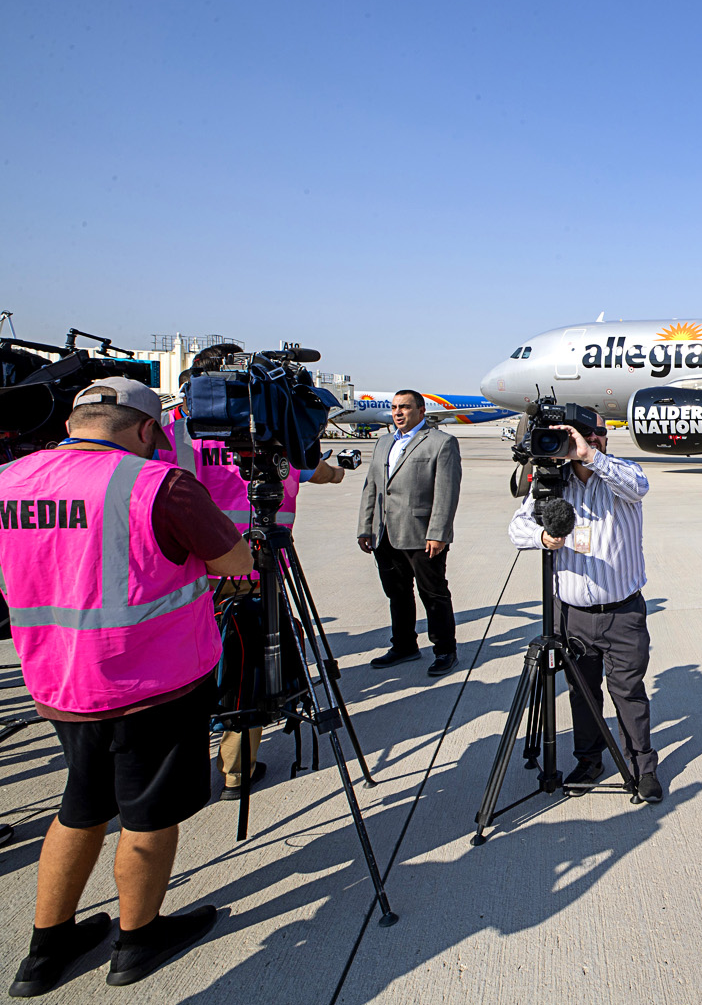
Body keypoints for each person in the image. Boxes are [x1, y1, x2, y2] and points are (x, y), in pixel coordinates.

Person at [0, 379, 253, 993]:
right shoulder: (157, 483)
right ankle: (139, 940)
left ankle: (45, 949)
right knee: (146, 816)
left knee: (80, 805)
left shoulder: (10, 479)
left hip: (59, 681)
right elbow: (235, 563)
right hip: (152, 682)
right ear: (144, 428)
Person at [162, 345, 347, 799]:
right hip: (261, 564)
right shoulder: (273, 429)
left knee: (188, 665)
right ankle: (236, 770)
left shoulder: (171, 435)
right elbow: (311, 470)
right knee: (250, 664)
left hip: (190, 573)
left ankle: (179, 765)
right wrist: (338, 473)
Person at [506, 415, 662, 801]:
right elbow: (516, 527)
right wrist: (542, 536)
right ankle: (589, 760)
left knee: (627, 691)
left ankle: (642, 768)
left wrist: (590, 455)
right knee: (582, 693)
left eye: (599, 436)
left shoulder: (621, 474)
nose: (593, 440)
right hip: (572, 613)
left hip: (622, 612)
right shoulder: (553, 485)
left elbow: (639, 488)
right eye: (584, 435)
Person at [357, 390, 462, 676]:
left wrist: (439, 532)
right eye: (394, 408)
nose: (397, 412)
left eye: (404, 407)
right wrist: (365, 527)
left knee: (433, 593)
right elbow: (372, 488)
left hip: (422, 533)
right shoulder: (383, 443)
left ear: (420, 410)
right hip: (384, 533)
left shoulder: (441, 442)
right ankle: (404, 646)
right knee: (397, 594)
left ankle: (445, 650)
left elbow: (446, 492)